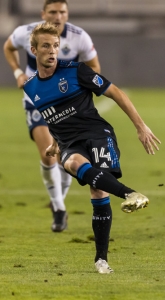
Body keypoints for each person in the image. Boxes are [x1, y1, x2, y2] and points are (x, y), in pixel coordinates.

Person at [23, 22, 161, 274]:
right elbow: (53, 116)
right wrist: (55, 142)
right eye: (46, 46)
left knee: (97, 190)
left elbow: (116, 93)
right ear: (34, 50)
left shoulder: (77, 71)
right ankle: (130, 194)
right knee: (73, 164)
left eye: (56, 46)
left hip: (97, 134)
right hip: (69, 143)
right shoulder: (31, 87)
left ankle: (101, 260)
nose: (52, 51)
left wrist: (141, 127)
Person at [3, 0, 101, 232]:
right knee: (47, 155)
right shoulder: (27, 32)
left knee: (64, 158)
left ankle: (59, 200)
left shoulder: (80, 37)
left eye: (62, 12)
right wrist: (18, 72)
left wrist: (78, 89)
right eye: (53, 12)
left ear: (68, 14)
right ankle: (58, 209)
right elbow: (8, 47)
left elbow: (95, 66)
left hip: (66, 104)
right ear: (43, 13)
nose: (58, 16)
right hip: (36, 101)